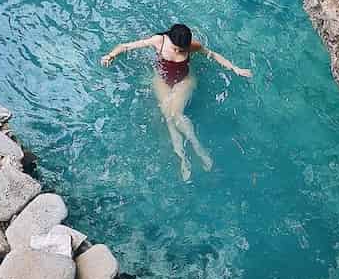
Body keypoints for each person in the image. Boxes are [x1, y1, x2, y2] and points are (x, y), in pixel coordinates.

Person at [101, 23, 252, 181]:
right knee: (168, 118)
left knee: (176, 114)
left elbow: (213, 55)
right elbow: (126, 46)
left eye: (182, 50)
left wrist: (235, 68)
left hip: (184, 81)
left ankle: (198, 148)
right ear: (170, 39)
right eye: (176, 48)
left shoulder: (192, 46)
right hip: (162, 80)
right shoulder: (159, 40)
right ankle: (182, 158)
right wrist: (110, 55)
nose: (179, 52)